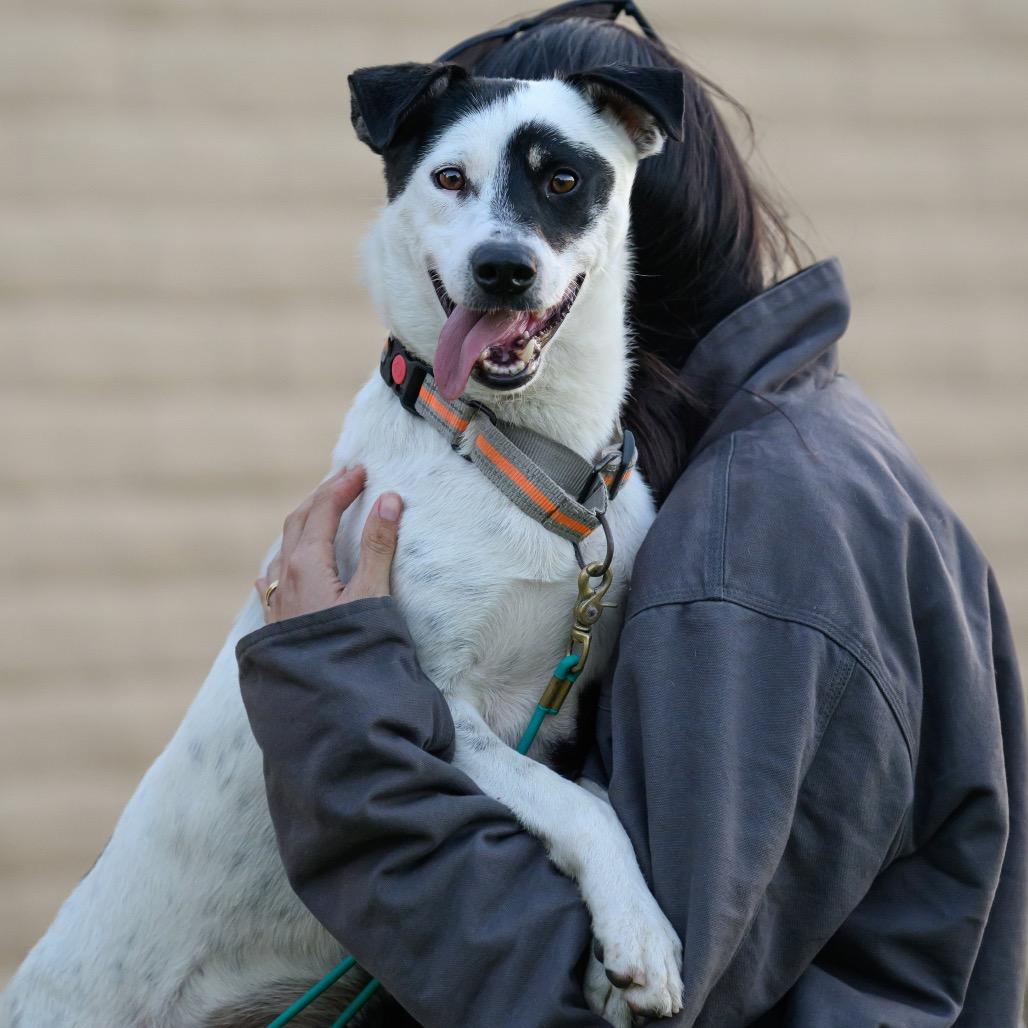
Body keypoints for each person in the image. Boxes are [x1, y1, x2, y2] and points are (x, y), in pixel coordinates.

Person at [235, 6, 1027, 1026]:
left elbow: (619, 1002)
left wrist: (336, 712)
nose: (495, 237)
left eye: (549, 185)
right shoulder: (810, 453)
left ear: (624, 209)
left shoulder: (748, 541)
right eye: (454, 185)